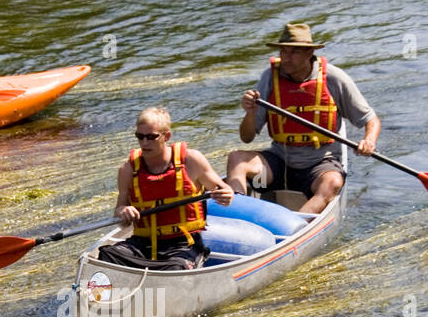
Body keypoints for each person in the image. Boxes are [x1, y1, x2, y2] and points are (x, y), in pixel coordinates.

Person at [226, 23, 381, 214]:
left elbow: (370, 119)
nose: (286, 59)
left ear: (310, 53)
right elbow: (246, 137)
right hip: (279, 162)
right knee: (237, 159)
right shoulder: (269, 78)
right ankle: (237, 211)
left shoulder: (334, 78)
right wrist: (250, 113)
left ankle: (295, 227)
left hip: (321, 164)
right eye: (283, 52)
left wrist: (369, 141)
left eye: (294, 52)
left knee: (332, 183)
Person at [97, 108, 233, 271]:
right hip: (143, 242)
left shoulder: (191, 160)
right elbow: (119, 212)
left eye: (151, 137)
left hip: (184, 243)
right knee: (107, 255)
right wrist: (123, 211)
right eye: (140, 137)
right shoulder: (127, 170)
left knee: (175, 268)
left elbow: (224, 191)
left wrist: (226, 194)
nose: (144, 143)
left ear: (166, 136)